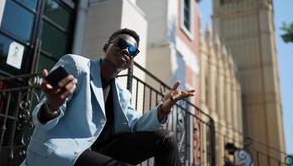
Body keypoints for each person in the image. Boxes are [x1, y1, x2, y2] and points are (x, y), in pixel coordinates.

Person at [21, 28, 195, 166]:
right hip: (64, 152)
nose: (127, 50)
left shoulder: (122, 93)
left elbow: (135, 125)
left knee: (166, 139)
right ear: (106, 47)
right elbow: (40, 118)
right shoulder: (77, 65)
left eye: (133, 51)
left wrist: (162, 109)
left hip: (100, 152)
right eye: (122, 43)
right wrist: (51, 107)